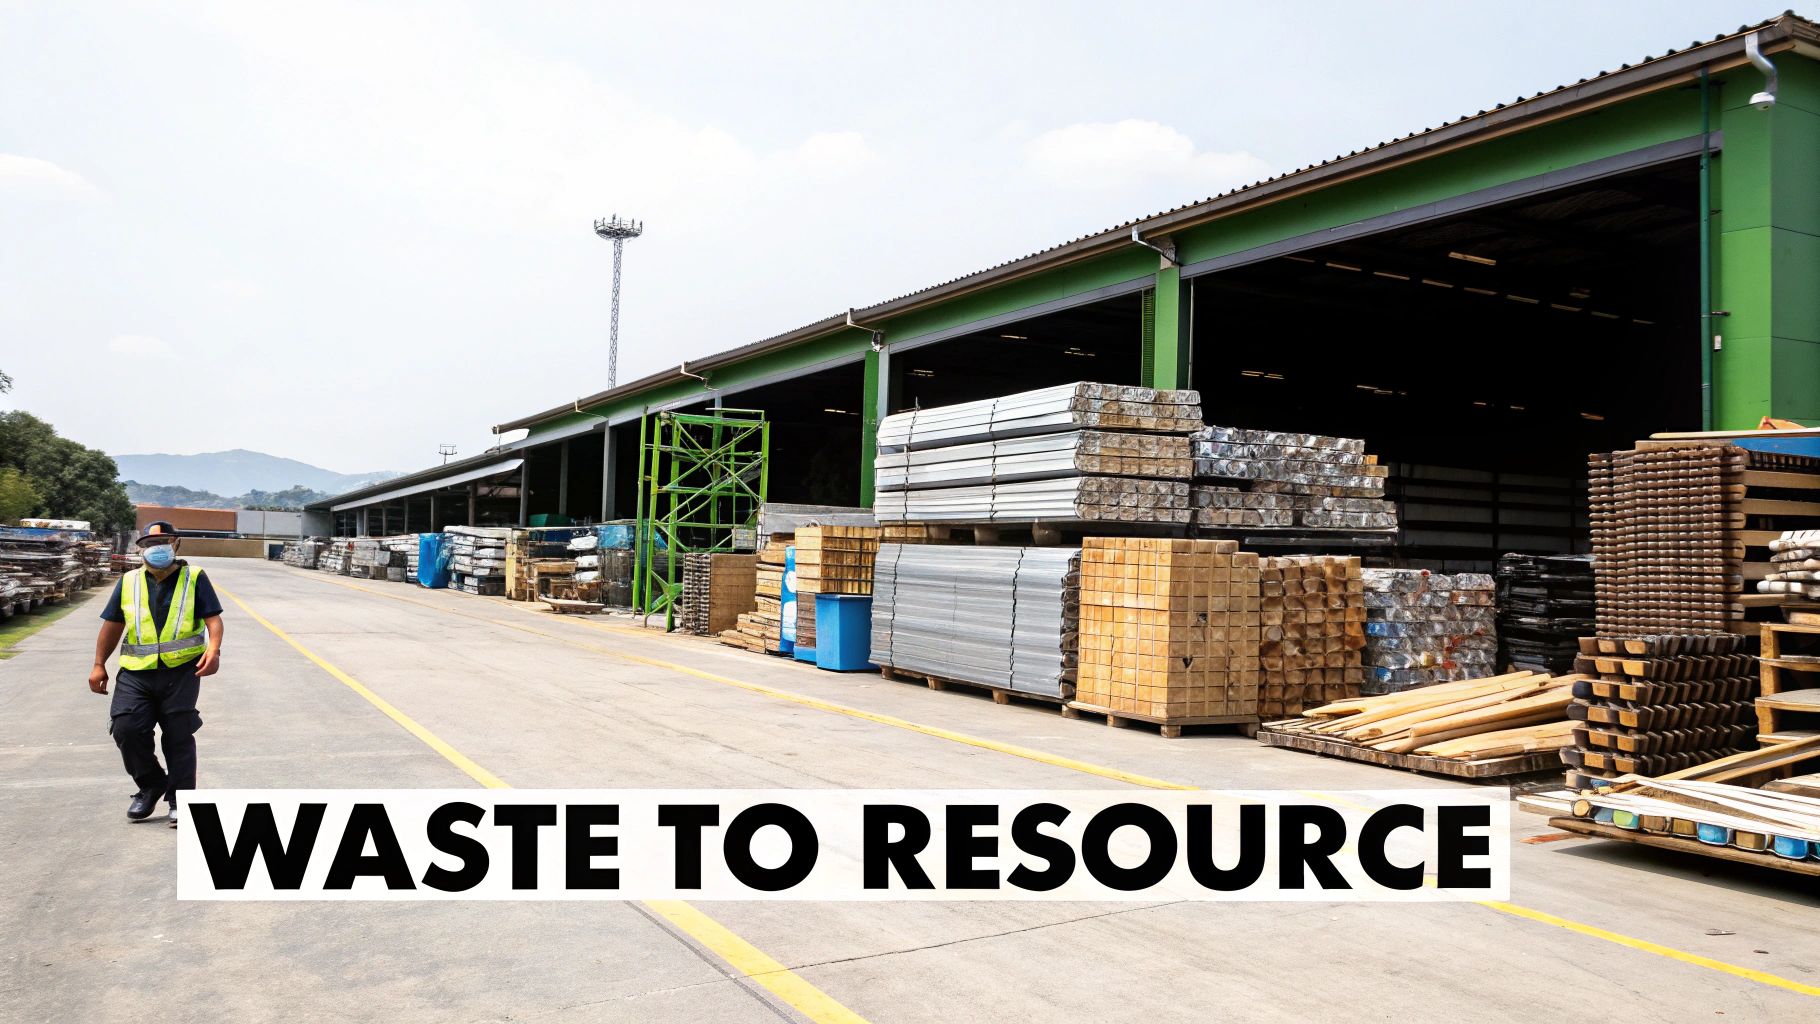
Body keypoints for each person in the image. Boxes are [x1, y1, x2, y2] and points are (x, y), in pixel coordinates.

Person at [88, 522, 224, 827]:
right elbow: (113, 625)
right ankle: (150, 784)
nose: (156, 547)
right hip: (136, 672)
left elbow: (213, 620)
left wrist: (213, 650)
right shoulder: (129, 581)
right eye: (150, 542)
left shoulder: (195, 578)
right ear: (140, 548)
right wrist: (99, 663)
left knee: (178, 736)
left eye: (162, 541)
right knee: (126, 728)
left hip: (181, 671)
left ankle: (181, 800)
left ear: (175, 544)